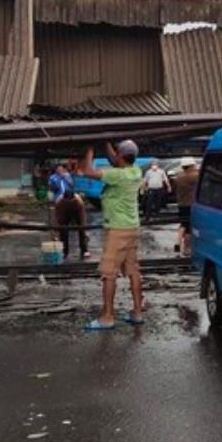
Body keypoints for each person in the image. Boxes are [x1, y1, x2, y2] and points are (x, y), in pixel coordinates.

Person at [79, 140, 143, 330]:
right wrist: (106, 141)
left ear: (121, 156)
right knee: (133, 271)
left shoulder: (117, 175)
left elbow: (87, 171)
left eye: (116, 153)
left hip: (117, 229)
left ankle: (107, 317)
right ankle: (138, 312)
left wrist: (90, 149)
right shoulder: (135, 171)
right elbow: (116, 160)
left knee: (108, 273)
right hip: (132, 228)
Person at [48, 164, 90, 259]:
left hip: (76, 211)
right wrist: (57, 225)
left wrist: (83, 226)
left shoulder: (78, 201)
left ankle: (84, 250)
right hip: (64, 211)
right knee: (63, 230)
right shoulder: (59, 202)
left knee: (81, 230)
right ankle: (64, 251)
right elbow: (57, 216)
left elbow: (82, 216)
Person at [173, 157, 199, 256]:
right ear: (191, 166)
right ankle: (187, 248)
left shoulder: (179, 176)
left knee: (183, 224)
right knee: (189, 228)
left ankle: (177, 243)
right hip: (190, 204)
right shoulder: (193, 176)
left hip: (181, 204)